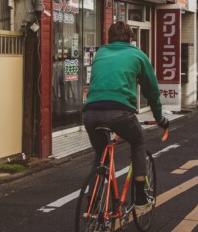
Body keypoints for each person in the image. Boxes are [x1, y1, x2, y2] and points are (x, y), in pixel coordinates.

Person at [82, 21, 169, 208]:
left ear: (109, 38)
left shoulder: (100, 53)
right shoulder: (138, 55)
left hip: (90, 112)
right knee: (137, 142)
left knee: (100, 155)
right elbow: (151, 91)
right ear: (131, 39)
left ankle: (92, 204)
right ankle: (140, 197)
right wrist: (160, 117)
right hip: (120, 113)